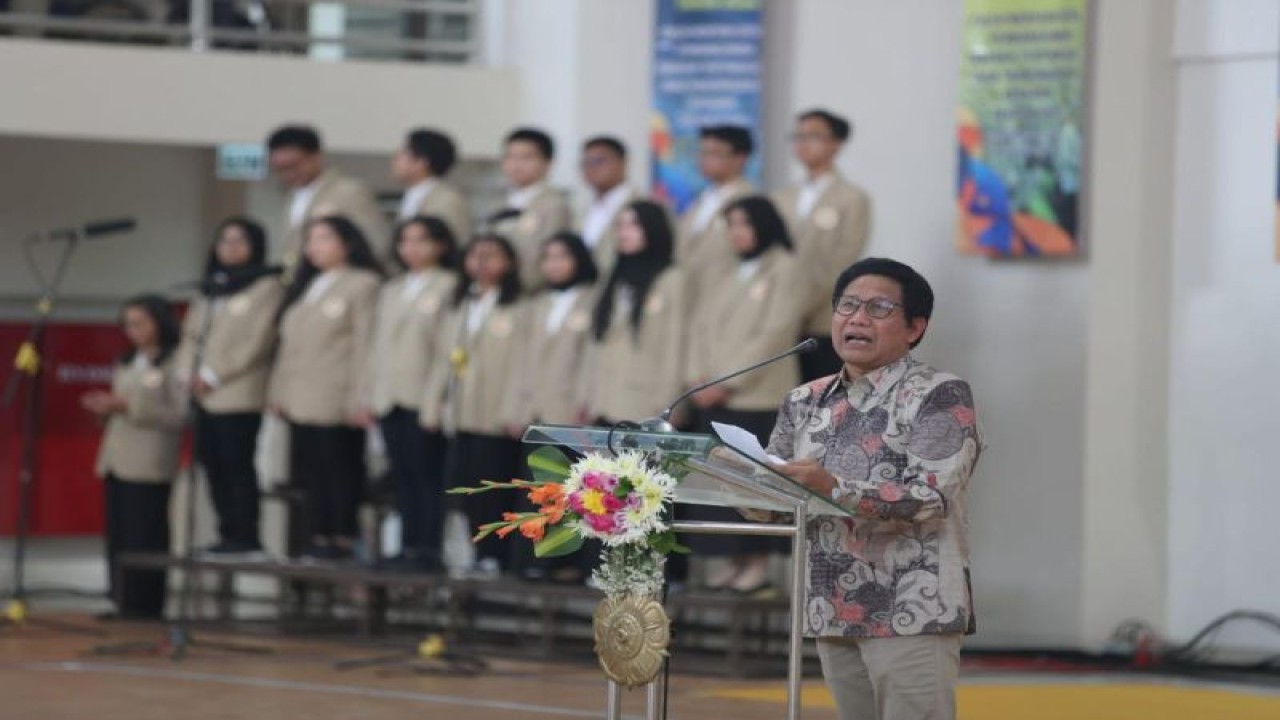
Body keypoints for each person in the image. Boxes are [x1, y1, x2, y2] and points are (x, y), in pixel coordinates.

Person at [766, 258, 982, 720]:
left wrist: (832, 486)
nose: (857, 318)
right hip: (830, 603)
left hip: (911, 606)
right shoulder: (803, 401)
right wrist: (736, 480)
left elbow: (931, 497)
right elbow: (773, 491)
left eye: (879, 308)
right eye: (847, 305)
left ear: (914, 328)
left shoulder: (939, 394)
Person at [683, 196, 807, 594]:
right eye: (730, 224)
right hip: (714, 395)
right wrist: (699, 379)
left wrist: (728, 382)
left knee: (755, 483)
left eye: (743, 224)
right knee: (722, 482)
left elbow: (776, 333)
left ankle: (758, 561)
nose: (735, 233)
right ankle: (735, 560)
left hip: (755, 395)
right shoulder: (725, 272)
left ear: (764, 226)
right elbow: (699, 328)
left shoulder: (786, 268)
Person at [268, 216, 382, 562]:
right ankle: (317, 535)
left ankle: (343, 537)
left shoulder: (363, 283)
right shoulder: (306, 286)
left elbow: (366, 344)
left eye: (324, 239)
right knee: (310, 469)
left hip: (338, 392)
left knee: (340, 467)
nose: (314, 247)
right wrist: (278, 391)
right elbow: (286, 347)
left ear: (347, 243)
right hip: (301, 394)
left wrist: (361, 396)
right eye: (311, 240)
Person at [175, 217, 283, 560]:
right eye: (224, 240)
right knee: (213, 464)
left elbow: (258, 339)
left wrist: (212, 374)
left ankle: (246, 536)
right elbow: (189, 337)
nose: (230, 247)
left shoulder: (267, 286)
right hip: (202, 394)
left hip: (237, 390)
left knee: (238, 464)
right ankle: (226, 534)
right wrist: (186, 372)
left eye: (239, 241)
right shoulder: (210, 289)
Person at [419, 235, 527, 579]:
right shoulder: (462, 305)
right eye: (475, 255)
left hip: (494, 412)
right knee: (464, 488)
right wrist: (433, 405)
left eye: (491, 255)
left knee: (494, 488)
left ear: (508, 262)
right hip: (461, 411)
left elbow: (522, 366)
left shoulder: (520, 307)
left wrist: (515, 409)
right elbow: (443, 360)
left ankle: (497, 555)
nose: (481, 263)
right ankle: (474, 551)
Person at [503, 231, 599, 582]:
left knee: (578, 491)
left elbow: (592, 358)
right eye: (549, 258)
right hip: (538, 409)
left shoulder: (593, 300)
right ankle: (540, 560)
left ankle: (573, 563)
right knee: (541, 488)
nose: (555, 265)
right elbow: (521, 361)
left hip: (572, 410)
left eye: (563, 257)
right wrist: (515, 407)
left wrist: (586, 400)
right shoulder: (536, 305)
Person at [82, 295, 184, 620]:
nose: (133, 330)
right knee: (120, 533)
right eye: (128, 324)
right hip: (117, 456)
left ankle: (147, 603)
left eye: (140, 323)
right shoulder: (127, 360)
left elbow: (179, 414)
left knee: (146, 533)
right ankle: (122, 599)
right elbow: (119, 403)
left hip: (150, 458)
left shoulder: (175, 361)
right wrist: (105, 407)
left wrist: (128, 407)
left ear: (160, 322)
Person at [369, 216, 459, 572]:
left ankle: (429, 547)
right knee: (402, 474)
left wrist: (434, 401)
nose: (412, 248)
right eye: (405, 241)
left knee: (428, 475)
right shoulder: (392, 288)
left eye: (422, 240)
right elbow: (376, 346)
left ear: (441, 244)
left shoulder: (449, 285)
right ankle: (407, 544)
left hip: (424, 396)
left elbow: (445, 351)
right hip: (389, 395)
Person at [773, 109, 873, 381]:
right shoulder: (782, 197)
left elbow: (843, 262)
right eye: (798, 136)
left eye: (814, 136)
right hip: (778, 319)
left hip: (819, 320)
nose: (803, 142)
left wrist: (798, 308)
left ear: (836, 143)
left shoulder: (852, 199)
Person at [582, 200, 687, 426]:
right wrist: (587, 397)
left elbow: (675, 345)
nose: (624, 232)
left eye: (633, 225)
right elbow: (596, 342)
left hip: (646, 403)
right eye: (620, 225)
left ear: (653, 229)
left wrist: (670, 403)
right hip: (604, 400)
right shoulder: (612, 277)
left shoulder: (672, 279)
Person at [266, 124, 389, 276]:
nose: (288, 174)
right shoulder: (291, 198)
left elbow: (375, 242)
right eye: (280, 169)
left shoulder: (349, 191)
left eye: (294, 166)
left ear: (316, 157)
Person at [486, 127, 572, 290]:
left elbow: (551, 258)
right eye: (510, 157)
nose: (516, 165)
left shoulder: (555, 205)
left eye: (526, 158)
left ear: (547, 163)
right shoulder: (500, 205)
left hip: (530, 294)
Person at [676, 125, 754, 305]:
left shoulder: (750, 202)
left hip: (727, 301)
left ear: (740, 158)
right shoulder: (698, 202)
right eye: (702, 153)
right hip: (690, 300)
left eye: (714, 154)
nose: (704, 160)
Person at [392, 128, 472, 243]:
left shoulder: (447, 201)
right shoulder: (412, 195)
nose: (395, 158)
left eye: (403, 152)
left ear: (421, 162)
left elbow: (457, 244)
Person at [578, 136, 640, 273]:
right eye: (586, 163)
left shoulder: (642, 206)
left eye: (599, 161)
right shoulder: (582, 211)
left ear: (623, 163)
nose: (591, 168)